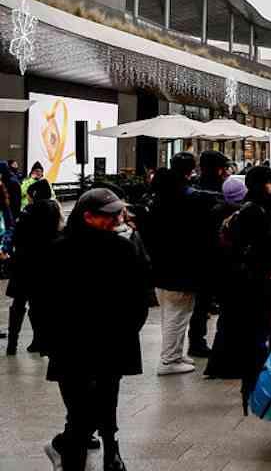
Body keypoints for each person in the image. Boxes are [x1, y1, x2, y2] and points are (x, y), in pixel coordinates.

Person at [38, 188, 149, 471]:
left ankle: (110, 450)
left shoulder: (124, 247)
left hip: (112, 341)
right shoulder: (59, 250)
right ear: (88, 216)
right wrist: (51, 341)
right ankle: (70, 451)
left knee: (106, 398)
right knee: (80, 412)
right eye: (110, 216)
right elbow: (43, 302)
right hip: (71, 346)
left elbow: (139, 295)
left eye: (119, 213)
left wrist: (128, 328)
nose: (117, 220)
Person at [204, 166, 271, 394]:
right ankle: (243, 364)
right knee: (249, 321)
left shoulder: (245, 208)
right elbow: (260, 245)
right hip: (250, 276)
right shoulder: (256, 211)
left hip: (236, 275)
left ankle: (225, 364)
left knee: (233, 320)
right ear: (262, 184)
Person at [144, 155, 203, 375]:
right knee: (177, 315)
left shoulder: (157, 199)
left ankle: (176, 354)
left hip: (162, 266)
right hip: (179, 268)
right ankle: (169, 359)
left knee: (172, 313)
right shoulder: (183, 199)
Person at [187, 151, 235, 359]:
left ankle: (197, 341)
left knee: (201, 302)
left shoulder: (193, 188)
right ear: (218, 168)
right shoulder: (220, 191)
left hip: (199, 251)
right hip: (217, 251)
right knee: (219, 300)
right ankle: (218, 342)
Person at [6, 179, 63, 355]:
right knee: (39, 304)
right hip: (46, 265)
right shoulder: (55, 210)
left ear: (35, 194)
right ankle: (39, 341)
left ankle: (12, 344)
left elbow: (17, 237)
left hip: (25, 264)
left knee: (18, 304)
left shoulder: (29, 211)